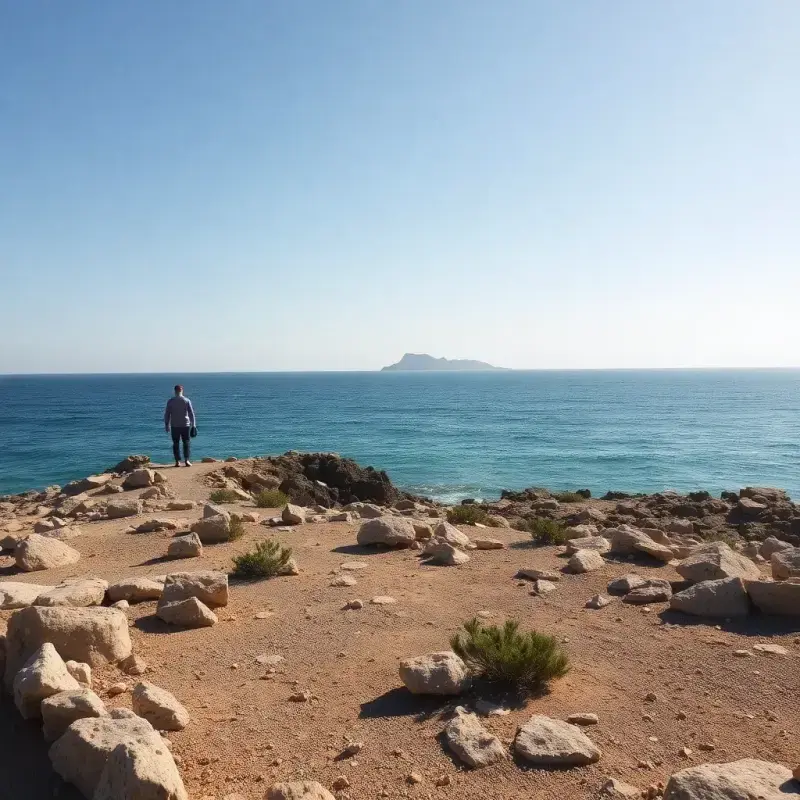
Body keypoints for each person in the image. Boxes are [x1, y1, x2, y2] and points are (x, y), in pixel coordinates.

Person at [164, 384, 196, 467]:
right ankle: (186, 460)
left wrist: (167, 425)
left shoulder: (170, 401)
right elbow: (191, 414)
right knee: (186, 443)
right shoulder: (187, 400)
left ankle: (177, 461)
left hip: (175, 426)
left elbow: (167, 414)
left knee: (176, 443)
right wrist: (194, 425)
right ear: (182, 390)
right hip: (185, 425)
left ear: (174, 391)